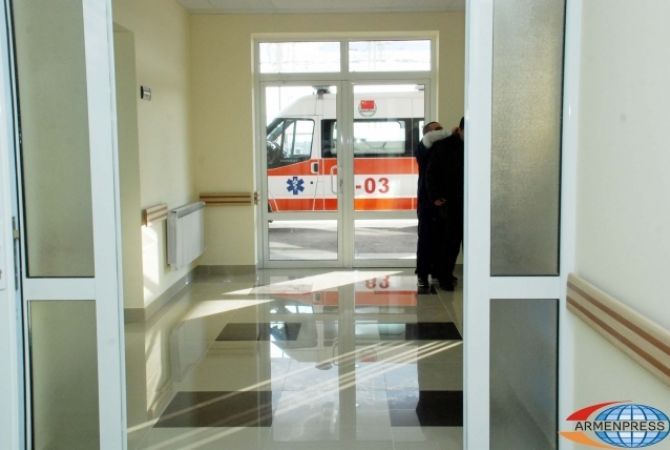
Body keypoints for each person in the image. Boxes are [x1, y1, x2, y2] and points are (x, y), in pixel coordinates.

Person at [426, 117, 464, 291]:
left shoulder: (474, 145)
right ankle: (444, 277)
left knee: (467, 242)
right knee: (450, 243)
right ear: (460, 130)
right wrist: (436, 196)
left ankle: (452, 275)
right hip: (451, 202)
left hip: (470, 201)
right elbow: (431, 173)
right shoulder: (444, 146)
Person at [415, 121, 450, 292]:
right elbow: (431, 137)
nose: (441, 132)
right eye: (437, 129)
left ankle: (437, 271)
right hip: (427, 202)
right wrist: (452, 132)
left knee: (441, 239)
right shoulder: (424, 146)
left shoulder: (442, 148)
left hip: (441, 201)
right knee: (426, 240)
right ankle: (422, 275)